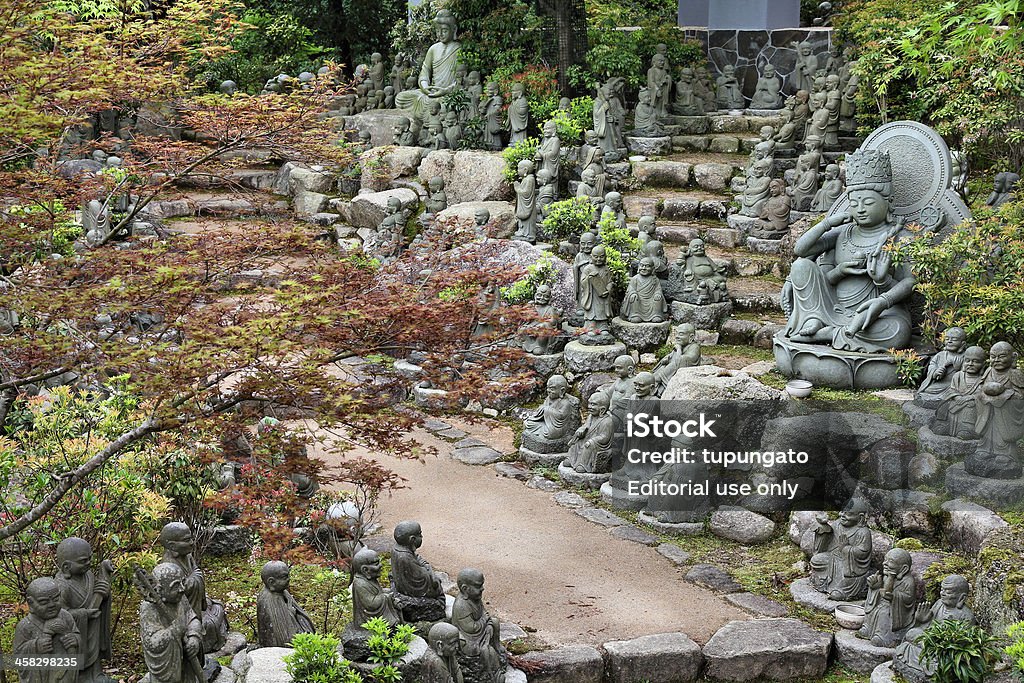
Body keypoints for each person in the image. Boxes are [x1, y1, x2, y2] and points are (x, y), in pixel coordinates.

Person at [781, 148, 914, 353]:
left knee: (899, 332)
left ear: (888, 203)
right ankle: (815, 319)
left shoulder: (901, 237)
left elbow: (910, 281)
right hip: (832, 308)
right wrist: (827, 224)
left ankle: (828, 333)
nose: (860, 208)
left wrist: (883, 287)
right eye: (854, 203)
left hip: (877, 313)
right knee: (801, 266)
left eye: (868, 202)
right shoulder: (844, 232)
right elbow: (801, 249)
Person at [54, 538, 113, 683]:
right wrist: (84, 614)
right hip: (75, 632)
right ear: (66, 567)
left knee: (95, 650)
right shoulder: (61, 587)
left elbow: (96, 599)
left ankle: (96, 673)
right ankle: (78, 677)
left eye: (89, 559)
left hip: (92, 627)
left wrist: (104, 594)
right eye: (83, 561)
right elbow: (60, 615)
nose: (88, 563)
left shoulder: (88, 575)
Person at [395, 10, 462, 125]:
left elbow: (461, 79)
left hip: (447, 93)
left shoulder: (459, 49)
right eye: (437, 31)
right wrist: (425, 87)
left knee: (445, 104)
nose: (440, 34)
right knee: (400, 97)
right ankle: (431, 113)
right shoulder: (433, 49)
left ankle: (431, 117)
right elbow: (425, 72)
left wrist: (445, 90)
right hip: (431, 92)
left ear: (454, 30)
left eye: (444, 31)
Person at [14, 578, 81, 683]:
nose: (51, 605)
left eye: (55, 599)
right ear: (31, 603)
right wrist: (36, 646)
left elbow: (76, 635)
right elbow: (18, 655)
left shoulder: (66, 616)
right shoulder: (25, 626)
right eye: (44, 602)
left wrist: (74, 639)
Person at [256, 561, 315, 647]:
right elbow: (284, 637)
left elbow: (300, 615)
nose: (289, 579)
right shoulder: (269, 600)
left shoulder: (282, 592)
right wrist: (291, 613)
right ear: (271, 582)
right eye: (284, 577)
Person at [652, 324, 701, 396]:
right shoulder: (681, 345)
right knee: (661, 368)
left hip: (682, 374)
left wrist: (678, 350)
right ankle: (653, 381)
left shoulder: (694, 347)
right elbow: (673, 358)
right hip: (671, 372)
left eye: (681, 334)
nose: (677, 336)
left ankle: (658, 379)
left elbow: (683, 361)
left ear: (691, 337)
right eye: (676, 333)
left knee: (682, 359)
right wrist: (668, 358)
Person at [620, 257, 668, 323]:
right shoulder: (635, 278)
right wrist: (633, 293)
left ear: (653, 269)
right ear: (638, 266)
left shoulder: (655, 279)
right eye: (642, 265)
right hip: (639, 300)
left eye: (647, 266)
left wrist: (658, 293)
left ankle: (656, 315)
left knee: (658, 298)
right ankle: (635, 315)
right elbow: (630, 289)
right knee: (633, 297)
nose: (644, 268)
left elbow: (658, 289)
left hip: (651, 300)